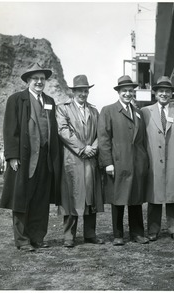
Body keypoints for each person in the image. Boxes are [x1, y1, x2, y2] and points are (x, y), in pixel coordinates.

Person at [0, 63, 61, 252]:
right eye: (35, 79)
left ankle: (37, 237)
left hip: (45, 158)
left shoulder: (50, 101)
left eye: (42, 79)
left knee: (41, 199)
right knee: (21, 198)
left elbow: (53, 131)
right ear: (28, 81)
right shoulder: (17, 100)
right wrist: (12, 156)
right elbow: (10, 130)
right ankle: (23, 240)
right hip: (24, 158)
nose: (39, 82)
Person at [98, 75, 149, 246]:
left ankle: (138, 233)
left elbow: (142, 139)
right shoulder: (108, 110)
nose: (127, 94)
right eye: (124, 91)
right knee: (118, 199)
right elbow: (104, 138)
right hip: (118, 162)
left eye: (130, 91)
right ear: (118, 92)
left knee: (136, 198)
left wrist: (144, 162)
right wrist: (107, 162)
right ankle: (118, 234)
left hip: (137, 162)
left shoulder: (138, 112)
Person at [56, 75, 105, 248]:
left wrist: (94, 147)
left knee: (90, 197)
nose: (83, 94)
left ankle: (90, 234)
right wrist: (83, 148)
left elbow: (101, 132)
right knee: (72, 196)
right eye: (80, 90)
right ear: (73, 91)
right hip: (73, 159)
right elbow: (63, 131)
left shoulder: (93, 110)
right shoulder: (63, 109)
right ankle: (69, 236)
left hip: (90, 159)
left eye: (86, 90)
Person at [141, 76, 174, 242]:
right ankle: (153, 230)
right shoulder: (145, 112)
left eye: (167, 91)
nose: (164, 94)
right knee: (154, 197)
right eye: (161, 91)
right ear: (155, 93)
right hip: (153, 161)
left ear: (171, 94)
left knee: (173, 196)